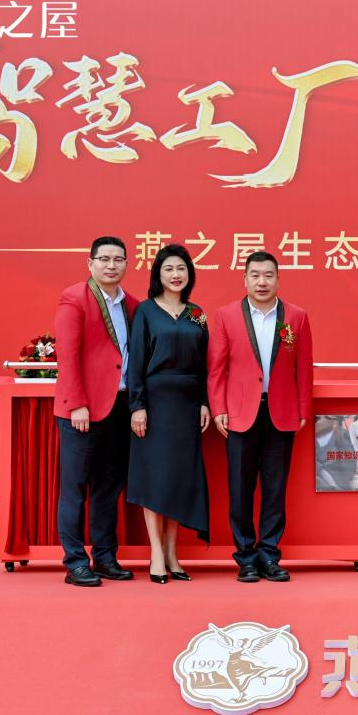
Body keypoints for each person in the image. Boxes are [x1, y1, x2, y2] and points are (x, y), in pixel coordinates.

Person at [207, 251, 313, 583]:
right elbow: (216, 369)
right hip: (240, 414)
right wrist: (219, 409)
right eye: (255, 275)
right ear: (245, 279)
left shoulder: (296, 317)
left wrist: (303, 409)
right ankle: (246, 558)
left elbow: (304, 368)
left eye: (268, 275)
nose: (262, 282)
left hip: (281, 413)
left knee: (275, 489)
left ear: (278, 279)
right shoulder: (227, 316)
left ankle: (269, 555)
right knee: (240, 489)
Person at [53, 236, 139, 587]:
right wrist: (77, 404)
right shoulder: (75, 298)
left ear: (127, 264)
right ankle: (75, 562)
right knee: (75, 487)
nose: (111, 265)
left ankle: (104, 557)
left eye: (118, 259)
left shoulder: (132, 304)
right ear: (90, 263)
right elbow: (67, 355)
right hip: (82, 410)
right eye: (104, 259)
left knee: (108, 488)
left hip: (120, 407)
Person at [126, 244, 211, 584]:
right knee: (155, 478)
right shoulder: (145, 311)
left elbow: (206, 364)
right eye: (168, 269)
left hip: (188, 405)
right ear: (157, 275)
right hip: (155, 403)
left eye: (181, 269)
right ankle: (156, 554)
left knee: (179, 478)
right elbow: (135, 362)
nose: (176, 275)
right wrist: (137, 406)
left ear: (190, 274)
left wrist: (204, 402)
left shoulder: (197, 313)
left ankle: (174, 554)